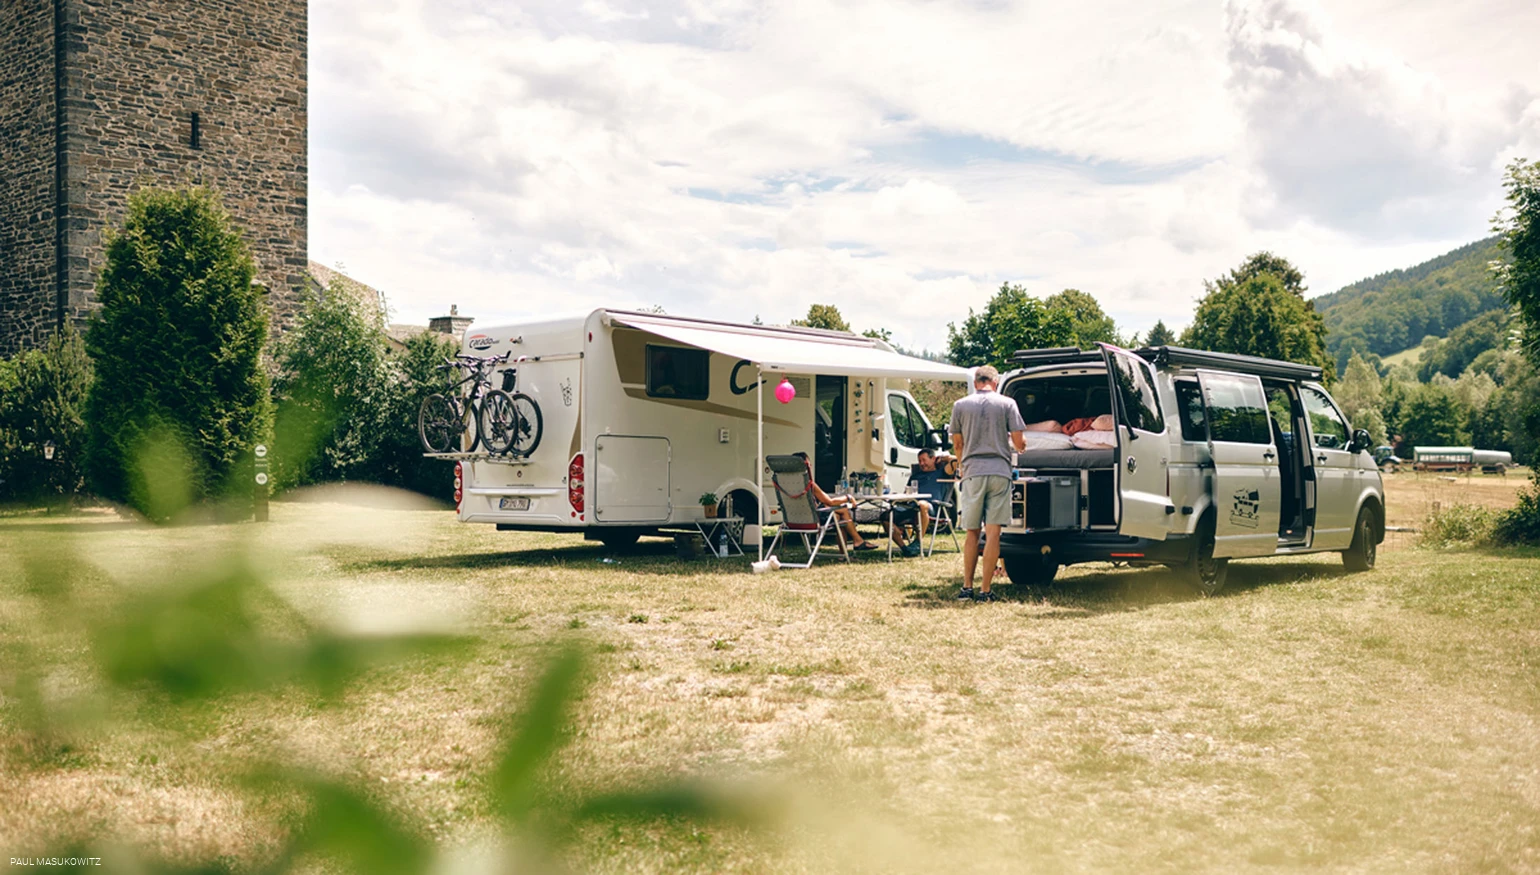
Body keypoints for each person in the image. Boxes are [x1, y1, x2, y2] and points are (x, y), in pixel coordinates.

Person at [949, 365, 1026, 602]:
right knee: (993, 533)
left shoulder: (960, 405)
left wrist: (962, 467)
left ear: (975, 382)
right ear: (995, 382)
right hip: (999, 472)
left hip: (973, 472)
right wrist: (1021, 447)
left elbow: (958, 443)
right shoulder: (1007, 404)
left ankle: (966, 587)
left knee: (972, 532)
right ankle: (985, 590)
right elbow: (1018, 440)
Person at [792, 452, 880, 552]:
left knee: (838, 516)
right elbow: (830, 502)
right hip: (812, 520)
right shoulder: (809, 484)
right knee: (842, 511)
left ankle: (848, 550)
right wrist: (848, 497)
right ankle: (857, 541)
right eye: (809, 464)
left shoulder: (786, 483)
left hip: (793, 520)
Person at [889, 448, 956, 557]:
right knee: (885, 516)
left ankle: (917, 542)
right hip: (912, 507)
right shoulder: (915, 476)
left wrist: (943, 458)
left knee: (922, 504)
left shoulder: (942, 472)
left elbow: (957, 460)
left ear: (933, 459)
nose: (921, 463)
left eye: (924, 460)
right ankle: (905, 548)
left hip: (931, 508)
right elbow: (907, 493)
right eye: (919, 461)